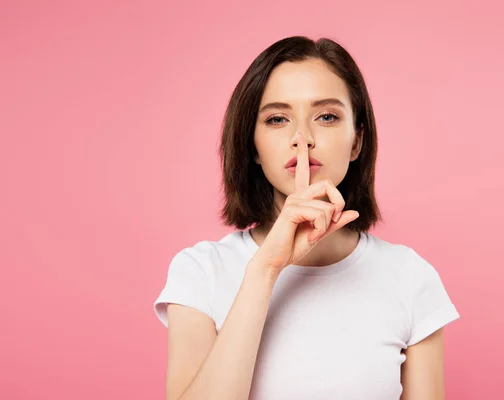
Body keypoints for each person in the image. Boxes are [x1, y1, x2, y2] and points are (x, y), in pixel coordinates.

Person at [153, 35, 460, 400]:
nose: (302, 138)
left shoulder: (410, 277)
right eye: (277, 119)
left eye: (327, 116)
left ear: (357, 141)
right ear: (253, 146)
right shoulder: (201, 271)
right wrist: (265, 268)